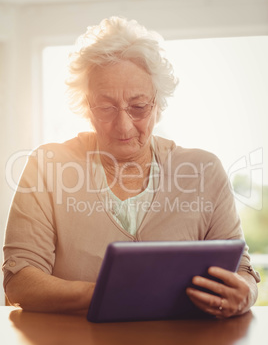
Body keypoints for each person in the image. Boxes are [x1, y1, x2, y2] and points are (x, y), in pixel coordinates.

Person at [2, 16, 260, 318]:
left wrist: (247, 293)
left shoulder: (205, 170)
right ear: (87, 106)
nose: (123, 125)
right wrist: (110, 292)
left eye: (138, 107)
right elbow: (20, 282)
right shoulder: (47, 167)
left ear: (158, 105)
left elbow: (241, 270)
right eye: (106, 107)